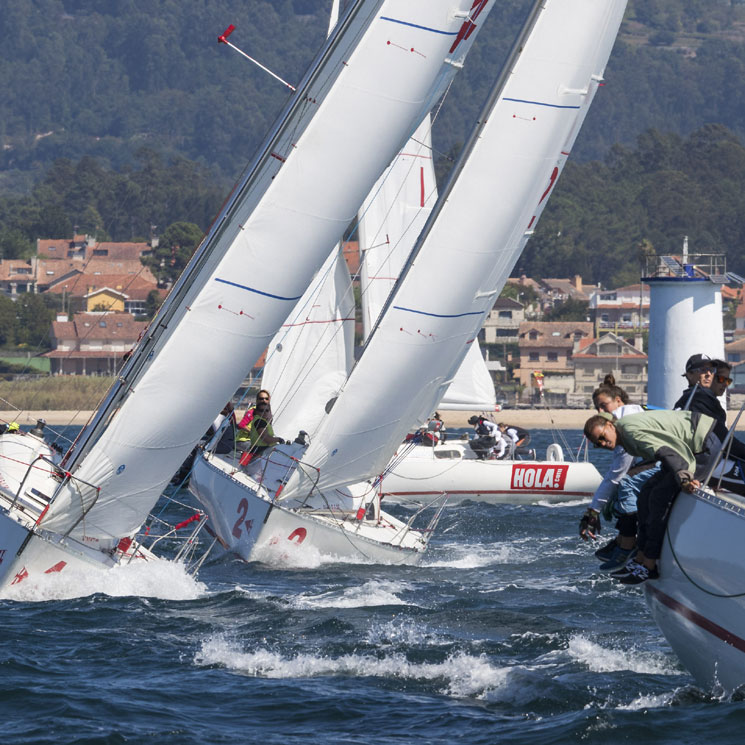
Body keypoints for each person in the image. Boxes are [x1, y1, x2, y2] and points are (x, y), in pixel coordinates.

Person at [584, 408, 721, 585]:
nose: (602, 443)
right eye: (597, 443)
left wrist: (685, 478)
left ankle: (649, 565)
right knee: (646, 493)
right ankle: (640, 558)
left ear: (610, 425)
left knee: (658, 498)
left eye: (602, 437)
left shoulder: (630, 432)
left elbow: (666, 451)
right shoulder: (624, 436)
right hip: (687, 447)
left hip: (702, 444)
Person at [579, 376, 659, 572]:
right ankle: (622, 539)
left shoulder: (624, 423)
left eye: (604, 406)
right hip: (660, 455)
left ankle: (626, 547)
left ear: (618, 401)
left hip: (673, 456)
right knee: (622, 484)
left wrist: (593, 512)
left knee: (625, 483)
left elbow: (617, 475)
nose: (600, 411)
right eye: (597, 408)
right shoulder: (624, 416)